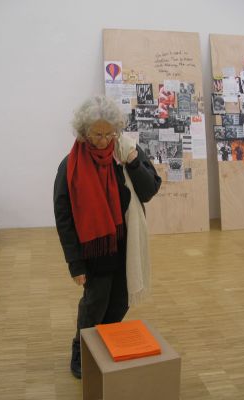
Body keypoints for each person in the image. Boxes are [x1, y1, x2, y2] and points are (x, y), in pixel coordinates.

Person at [53, 95, 162, 379]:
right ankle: (81, 348)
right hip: (95, 250)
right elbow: (64, 219)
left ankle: (104, 341)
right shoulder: (70, 166)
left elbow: (149, 191)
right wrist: (74, 264)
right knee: (94, 303)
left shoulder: (126, 152)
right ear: (84, 132)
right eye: (96, 134)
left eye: (108, 133)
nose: (103, 141)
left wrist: (135, 163)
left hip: (127, 245)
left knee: (120, 302)